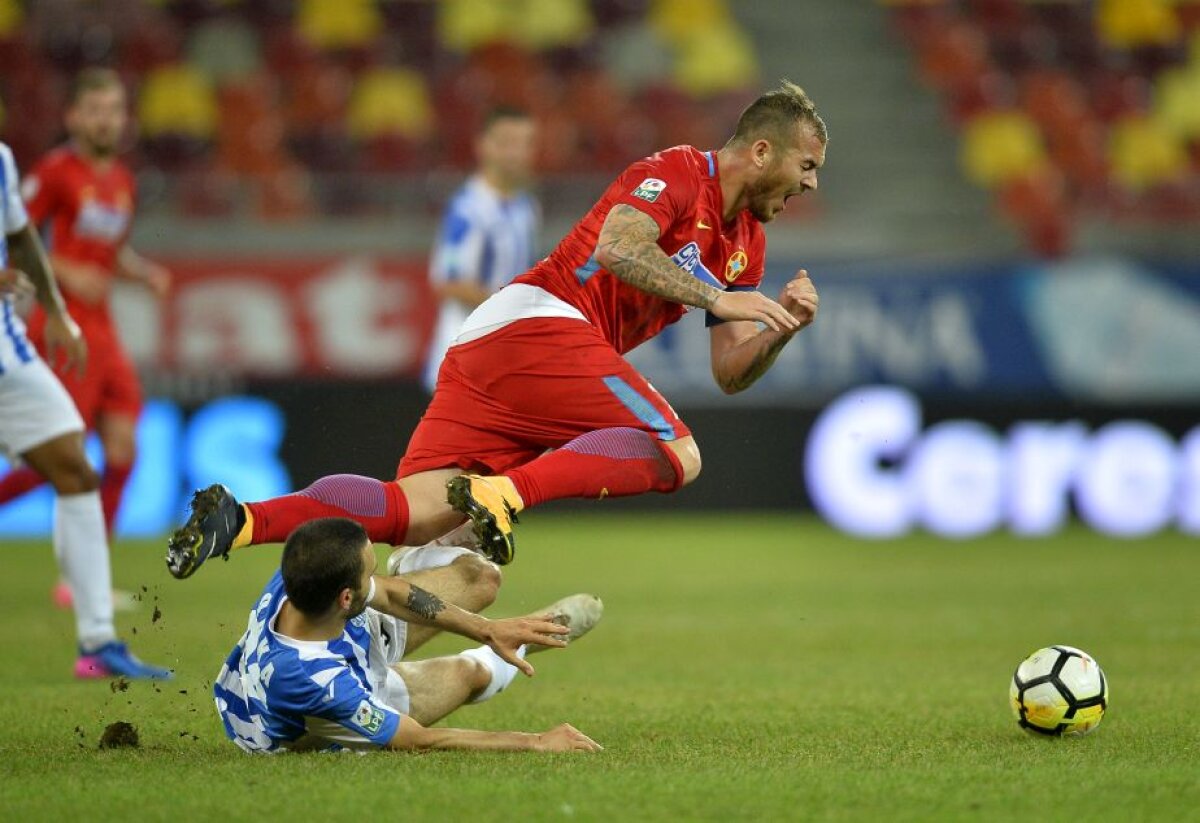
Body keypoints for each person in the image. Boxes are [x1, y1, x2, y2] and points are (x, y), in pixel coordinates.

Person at [167, 80, 824, 579]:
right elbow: (620, 249)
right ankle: (508, 491)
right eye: (807, 165)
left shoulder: (747, 244)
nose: (811, 184)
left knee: (417, 511)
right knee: (678, 451)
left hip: (499, 346)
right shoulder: (679, 171)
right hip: (541, 322)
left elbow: (729, 371)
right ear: (763, 151)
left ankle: (245, 518)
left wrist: (782, 326)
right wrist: (719, 297)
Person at [0, 140, 171, 679]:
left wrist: (53, 310)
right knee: (61, 462)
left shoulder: (7, 158)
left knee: (78, 465)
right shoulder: (53, 171)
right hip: (55, 334)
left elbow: (21, 236)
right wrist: (65, 287)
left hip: (20, 347)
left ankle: (95, 640)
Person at [216, 516, 602, 753]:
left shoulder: (304, 574)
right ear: (346, 596)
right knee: (470, 676)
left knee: (481, 580)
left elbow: (389, 592)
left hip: (341, 633)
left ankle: (510, 634)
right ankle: (528, 639)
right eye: (371, 571)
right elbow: (416, 739)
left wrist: (487, 629)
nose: (378, 579)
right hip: (324, 710)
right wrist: (535, 742)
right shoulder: (316, 683)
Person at [0, 68, 170, 560]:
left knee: (122, 451)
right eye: (95, 111)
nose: (105, 121)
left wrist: (143, 274)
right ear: (73, 117)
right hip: (61, 325)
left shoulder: (122, 181)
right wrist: (67, 272)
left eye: (114, 111)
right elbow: (16, 241)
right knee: (55, 457)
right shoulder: (53, 173)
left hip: (104, 330)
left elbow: (112, 253)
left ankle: (87, 571)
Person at [423, 107, 540, 392]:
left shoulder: (526, 207)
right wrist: (513, 310)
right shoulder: (468, 210)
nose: (515, 153)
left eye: (523, 143)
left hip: (502, 355)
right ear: (483, 146)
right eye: (506, 142)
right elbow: (448, 282)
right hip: (463, 354)